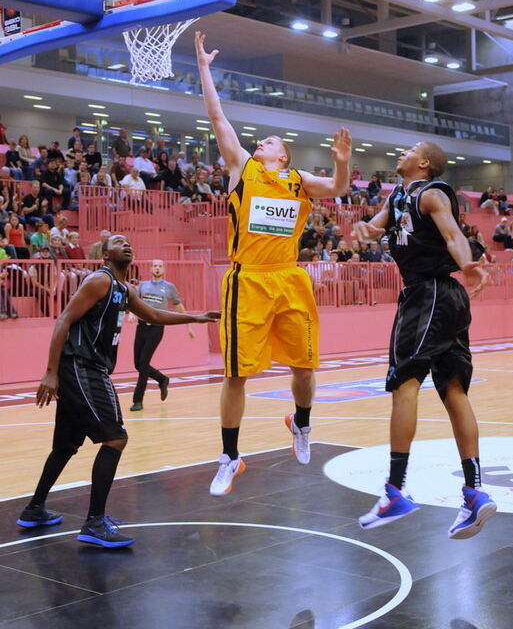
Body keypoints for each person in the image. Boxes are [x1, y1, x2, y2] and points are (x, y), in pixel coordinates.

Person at [194, 31, 352, 496]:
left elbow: (339, 188)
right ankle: (229, 456)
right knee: (236, 374)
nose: (261, 141)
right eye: (260, 140)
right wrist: (204, 67)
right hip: (248, 278)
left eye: (270, 141)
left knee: (305, 368)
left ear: (283, 156)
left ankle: (300, 423)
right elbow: (217, 116)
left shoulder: (299, 182)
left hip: (290, 278)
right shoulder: (243, 168)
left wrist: (343, 163)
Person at [16, 234, 220, 547]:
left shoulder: (125, 289)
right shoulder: (100, 281)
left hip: (85, 368)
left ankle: (34, 509)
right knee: (116, 438)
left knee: (66, 446)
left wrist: (196, 316)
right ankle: (94, 522)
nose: (126, 245)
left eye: (128, 242)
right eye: (118, 242)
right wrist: (50, 372)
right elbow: (63, 321)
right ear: (106, 255)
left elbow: (153, 315)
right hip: (82, 367)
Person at [352, 141, 495, 540]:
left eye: (409, 149)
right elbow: (377, 224)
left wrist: (467, 263)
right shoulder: (398, 196)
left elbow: (453, 234)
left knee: (404, 383)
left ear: (424, 162)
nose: (400, 152)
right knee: (453, 391)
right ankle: (474, 493)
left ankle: (395, 490)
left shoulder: (431, 194)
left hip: (428, 293)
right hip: (442, 298)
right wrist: (366, 229)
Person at [130, 259, 195, 411]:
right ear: (151, 268)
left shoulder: (169, 287)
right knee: (137, 364)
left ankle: (137, 400)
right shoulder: (143, 285)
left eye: (160, 266)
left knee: (144, 364)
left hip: (157, 328)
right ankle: (162, 379)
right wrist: (132, 313)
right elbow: (134, 302)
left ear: (163, 269)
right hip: (141, 326)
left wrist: (189, 326)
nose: (157, 269)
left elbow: (179, 307)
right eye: (155, 266)